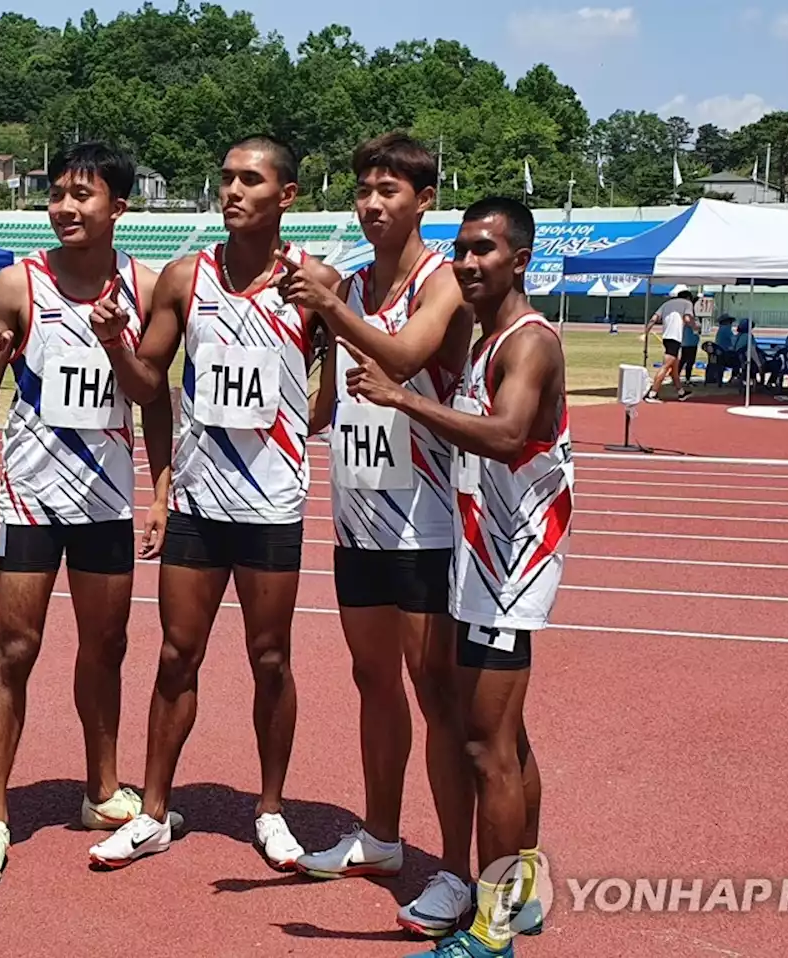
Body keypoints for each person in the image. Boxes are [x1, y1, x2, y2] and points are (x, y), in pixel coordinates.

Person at [85, 135, 341, 870]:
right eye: (226, 178)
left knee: (271, 659)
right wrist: (113, 347)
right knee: (175, 655)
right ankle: (156, 813)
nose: (231, 190)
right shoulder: (185, 277)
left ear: (285, 196)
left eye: (249, 180)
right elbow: (146, 385)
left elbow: (335, 394)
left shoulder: (314, 283)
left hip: (272, 504)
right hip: (199, 502)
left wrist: (307, 407)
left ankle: (270, 811)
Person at [340, 196, 573, 958]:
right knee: (508, 739)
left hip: (511, 568)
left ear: (521, 259)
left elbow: (508, 436)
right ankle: (523, 891)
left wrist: (400, 397)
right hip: (481, 562)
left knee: (486, 748)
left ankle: (493, 930)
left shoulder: (529, 344)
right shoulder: (486, 339)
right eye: (463, 250)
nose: (470, 263)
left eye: (486, 250)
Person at [0, 141, 178, 886]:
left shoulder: (146, 289)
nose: (64, 208)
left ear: (119, 207)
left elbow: (152, 394)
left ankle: (99, 791)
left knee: (106, 647)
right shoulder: (17, 284)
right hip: (29, 494)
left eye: (82, 196)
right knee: (14, 648)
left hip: (107, 502)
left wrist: (161, 488)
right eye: (56, 195)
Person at [286, 132, 478, 939]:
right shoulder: (356, 281)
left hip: (428, 524)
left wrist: (330, 307)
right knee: (373, 682)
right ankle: (383, 837)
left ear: (424, 200)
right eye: (364, 190)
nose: (371, 204)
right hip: (358, 513)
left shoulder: (444, 285)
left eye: (390, 192)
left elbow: (403, 354)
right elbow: (331, 398)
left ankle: (457, 872)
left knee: (438, 697)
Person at [644, 289, 696, 402]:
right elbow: (687, 318)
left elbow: (654, 319)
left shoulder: (666, 304)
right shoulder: (687, 304)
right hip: (675, 337)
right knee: (666, 366)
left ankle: (680, 392)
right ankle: (652, 393)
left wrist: (646, 332)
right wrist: (695, 327)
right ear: (688, 298)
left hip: (667, 337)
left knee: (674, 367)